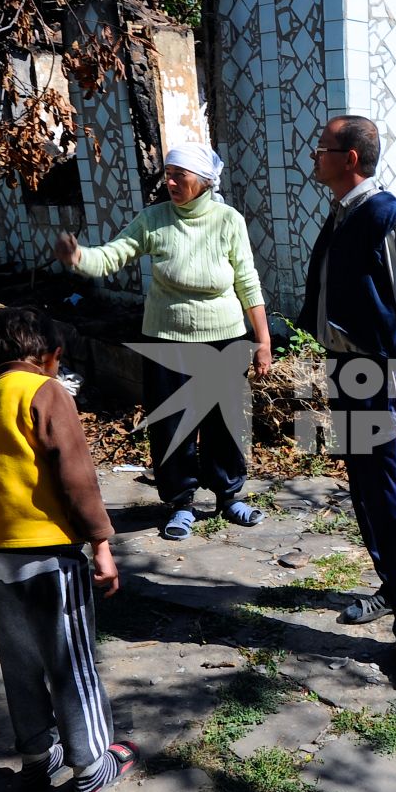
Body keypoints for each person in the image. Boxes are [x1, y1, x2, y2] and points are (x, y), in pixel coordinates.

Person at [53, 142, 271, 540]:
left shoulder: (228, 221)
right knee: (171, 425)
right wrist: (79, 257)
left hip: (224, 338)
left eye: (179, 176)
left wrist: (263, 340)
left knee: (224, 423)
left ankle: (229, 496)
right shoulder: (154, 219)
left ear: (203, 181)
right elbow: (115, 254)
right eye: (168, 174)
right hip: (166, 339)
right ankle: (181, 503)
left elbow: (247, 279)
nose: (169, 181)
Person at [0, 305, 139, 792]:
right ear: (51, 355)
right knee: (71, 661)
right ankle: (91, 763)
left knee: (21, 663)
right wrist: (101, 545)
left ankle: (37, 755)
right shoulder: (47, 392)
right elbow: (76, 476)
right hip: (48, 553)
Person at [298, 115, 396, 691]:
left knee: (391, 495)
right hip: (348, 370)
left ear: (350, 158)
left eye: (323, 148)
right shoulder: (343, 215)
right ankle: (390, 586)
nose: (315, 156)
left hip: (381, 376)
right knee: (362, 486)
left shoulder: (388, 220)